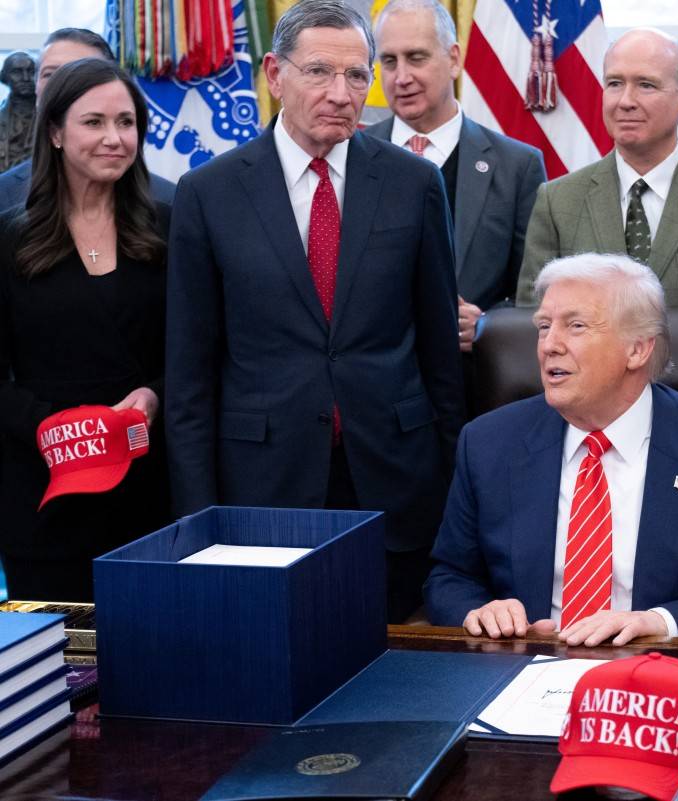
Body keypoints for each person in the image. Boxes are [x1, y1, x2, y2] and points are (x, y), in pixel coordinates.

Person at [166, 0, 464, 622]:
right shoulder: (209, 194)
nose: (342, 92)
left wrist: (447, 489)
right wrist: (198, 520)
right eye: (320, 72)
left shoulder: (414, 184)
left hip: (393, 484)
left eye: (358, 75)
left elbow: (441, 356)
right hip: (262, 487)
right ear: (275, 74)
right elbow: (190, 376)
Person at [425, 253, 678, 644]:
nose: (549, 345)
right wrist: (481, 611)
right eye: (543, 326)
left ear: (638, 349)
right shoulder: (488, 444)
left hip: (662, 679)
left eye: (575, 326)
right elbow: (449, 578)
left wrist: (661, 622)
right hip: (524, 673)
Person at [0, 58, 170, 600]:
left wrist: (155, 396)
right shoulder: (9, 239)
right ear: (55, 132)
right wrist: (63, 430)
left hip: (151, 493)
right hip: (45, 497)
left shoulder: (172, 227)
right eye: (93, 122)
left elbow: (203, 350)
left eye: (126, 122)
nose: (114, 138)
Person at [515, 28, 678, 308]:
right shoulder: (558, 202)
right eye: (614, 83)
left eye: (645, 85)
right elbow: (535, 326)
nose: (625, 101)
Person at [365, 0, 545, 352]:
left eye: (416, 58)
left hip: (474, 384)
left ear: (454, 59)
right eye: (389, 61)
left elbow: (537, 292)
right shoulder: (351, 155)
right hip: (376, 385)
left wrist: (488, 325)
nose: (402, 77)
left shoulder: (518, 167)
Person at [0, 28, 176, 209]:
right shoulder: (4, 196)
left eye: (83, 74)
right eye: (50, 74)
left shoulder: (170, 203)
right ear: (36, 86)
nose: (63, 86)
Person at [0, 52, 36, 171]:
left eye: (31, 72)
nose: (26, 78)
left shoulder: (52, 118)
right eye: (17, 72)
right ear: (5, 77)